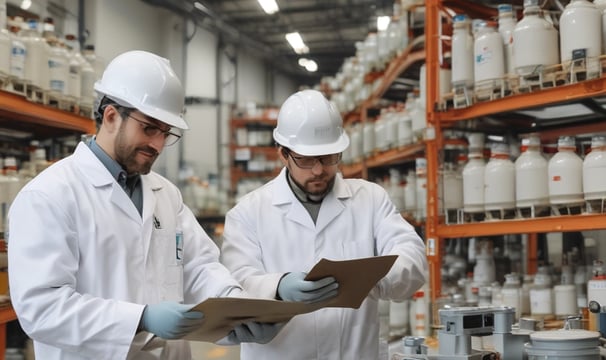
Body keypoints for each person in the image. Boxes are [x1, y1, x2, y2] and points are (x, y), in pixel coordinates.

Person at [7, 50, 281, 359]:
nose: (158, 144)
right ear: (111, 116)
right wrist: (140, 319)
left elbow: (199, 267)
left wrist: (237, 306)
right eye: (149, 128)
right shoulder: (49, 196)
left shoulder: (166, 194)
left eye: (166, 132)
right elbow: (41, 308)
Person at [220, 89, 428, 359]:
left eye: (328, 157)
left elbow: (413, 257)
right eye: (305, 159)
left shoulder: (370, 199)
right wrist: (278, 287)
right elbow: (235, 285)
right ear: (283, 154)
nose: (318, 170)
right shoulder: (248, 213)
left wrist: (371, 278)